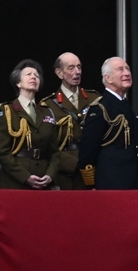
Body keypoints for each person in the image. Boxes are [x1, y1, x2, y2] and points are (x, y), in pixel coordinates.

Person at [76, 57, 138, 189]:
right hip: (112, 185)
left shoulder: (124, 104)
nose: (127, 73)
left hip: (133, 183)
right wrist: (92, 184)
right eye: (120, 69)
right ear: (108, 78)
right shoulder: (100, 108)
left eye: (127, 68)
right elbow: (87, 153)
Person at [0, 59, 62, 189]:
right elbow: (2, 151)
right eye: (28, 74)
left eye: (36, 75)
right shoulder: (6, 110)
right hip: (15, 181)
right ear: (18, 82)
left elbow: (55, 153)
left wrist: (50, 175)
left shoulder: (47, 112)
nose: (33, 77)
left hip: (43, 180)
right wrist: (25, 177)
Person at [40, 52, 102, 190]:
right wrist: (73, 163)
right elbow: (46, 143)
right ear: (59, 73)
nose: (77, 72)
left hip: (92, 170)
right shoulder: (48, 105)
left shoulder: (94, 98)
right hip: (65, 173)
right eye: (71, 68)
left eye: (79, 67)